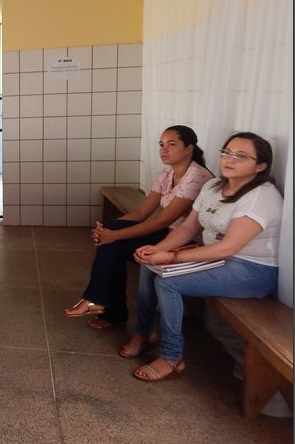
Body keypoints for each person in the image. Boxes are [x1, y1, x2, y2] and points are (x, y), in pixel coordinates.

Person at [124, 132, 283, 382]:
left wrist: (172, 257)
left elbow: (227, 248)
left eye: (241, 156)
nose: (230, 159)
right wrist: (158, 250)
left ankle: (171, 356)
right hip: (215, 259)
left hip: (250, 270)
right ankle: (143, 333)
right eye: (226, 153)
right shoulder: (213, 186)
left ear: (260, 165)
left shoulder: (260, 196)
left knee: (167, 283)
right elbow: (188, 228)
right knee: (148, 265)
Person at [64, 125, 213, 329]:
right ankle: (101, 303)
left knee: (112, 245)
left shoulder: (196, 177)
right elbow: (142, 213)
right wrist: (107, 230)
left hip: (186, 241)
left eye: (172, 144)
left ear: (189, 148)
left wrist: (114, 235)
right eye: (161, 145)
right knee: (110, 233)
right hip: (168, 232)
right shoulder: (167, 173)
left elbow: (162, 221)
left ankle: (108, 309)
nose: (164, 150)